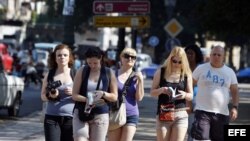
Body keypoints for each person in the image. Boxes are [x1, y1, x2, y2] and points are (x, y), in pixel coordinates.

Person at [191, 45, 239, 141]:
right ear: (210, 55)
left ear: (223, 57)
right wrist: (188, 102)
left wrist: (235, 107)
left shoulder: (229, 72)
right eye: (214, 54)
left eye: (219, 55)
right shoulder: (201, 68)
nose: (216, 57)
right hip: (202, 111)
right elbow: (190, 85)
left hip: (222, 113)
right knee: (202, 138)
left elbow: (234, 91)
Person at [72, 47, 118, 141]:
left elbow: (114, 97)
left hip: (101, 114)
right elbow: (74, 95)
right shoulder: (82, 70)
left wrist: (103, 94)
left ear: (100, 58)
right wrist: (89, 100)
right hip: (81, 112)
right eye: (89, 63)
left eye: (95, 63)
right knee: (80, 138)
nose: (92, 66)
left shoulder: (109, 72)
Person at [150, 46, 193, 141]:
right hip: (164, 113)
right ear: (170, 59)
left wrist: (185, 95)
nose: (177, 64)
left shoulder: (186, 75)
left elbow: (191, 96)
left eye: (180, 62)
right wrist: (161, 90)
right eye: (174, 61)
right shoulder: (161, 72)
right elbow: (152, 92)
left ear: (184, 62)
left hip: (180, 115)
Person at [108, 47, 145, 141]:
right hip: (115, 113)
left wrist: (140, 81)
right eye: (127, 56)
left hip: (131, 114)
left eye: (133, 57)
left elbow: (139, 98)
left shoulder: (137, 77)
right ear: (121, 58)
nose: (130, 59)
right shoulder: (113, 74)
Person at [41, 44, 75, 141]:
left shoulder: (75, 73)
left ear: (69, 57)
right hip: (51, 118)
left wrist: (74, 93)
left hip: (70, 118)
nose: (62, 57)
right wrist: (50, 96)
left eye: (65, 55)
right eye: (59, 55)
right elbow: (42, 96)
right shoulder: (50, 74)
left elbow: (84, 95)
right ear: (55, 58)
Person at [184, 44, 204, 141]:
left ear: (197, 55)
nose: (189, 55)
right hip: (183, 101)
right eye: (187, 53)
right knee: (184, 128)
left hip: (198, 101)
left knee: (193, 128)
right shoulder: (181, 68)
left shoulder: (201, 69)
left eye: (191, 53)